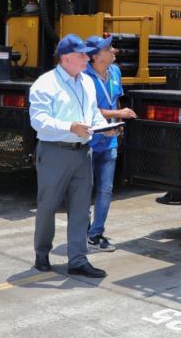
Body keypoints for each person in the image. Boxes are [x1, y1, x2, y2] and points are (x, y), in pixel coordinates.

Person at [29, 33, 116, 278]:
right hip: (55, 151)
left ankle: (77, 259)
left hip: (82, 153)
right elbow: (39, 121)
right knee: (48, 205)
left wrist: (104, 127)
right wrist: (69, 127)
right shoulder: (45, 84)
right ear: (66, 58)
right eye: (82, 55)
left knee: (80, 208)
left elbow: (93, 114)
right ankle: (42, 252)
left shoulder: (86, 81)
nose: (87, 58)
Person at [84, 35, 137, 252]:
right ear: (96, 56)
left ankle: (96, 234)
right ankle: (82, 231)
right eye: (108, 48)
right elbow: (88, 110)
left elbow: (116, 100)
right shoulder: (84, 77)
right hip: (88, 141)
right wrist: (118, 114)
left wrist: (117, 124)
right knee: (83, 190)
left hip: (109, 140)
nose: (113, 50)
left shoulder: (115, 72)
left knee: (106, 189)